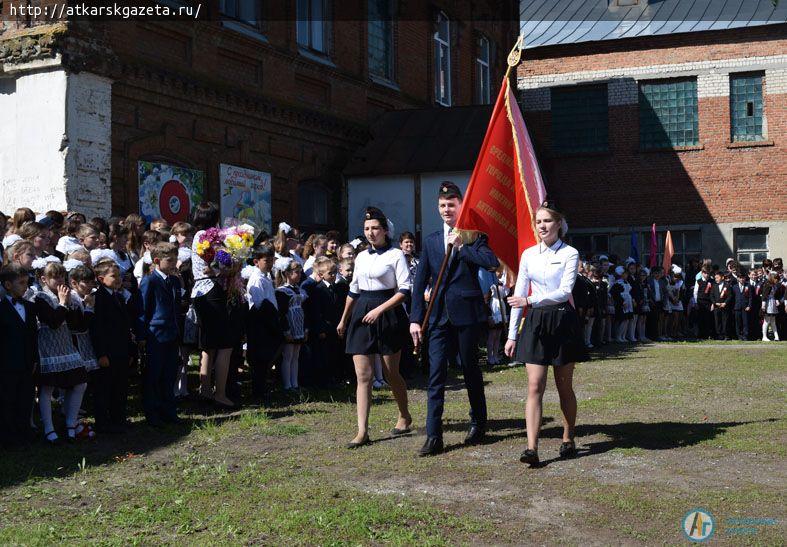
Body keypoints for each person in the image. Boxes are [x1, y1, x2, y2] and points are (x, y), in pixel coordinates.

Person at [410, 182, 498, 456]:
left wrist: (461, 248)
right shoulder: (432, 240)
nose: (447, 209)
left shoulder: (473, 236)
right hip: (437, 316)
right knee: (436, 375)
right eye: (442, 206)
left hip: (467, 315)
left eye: (451, 205)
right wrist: (415, 318)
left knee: (471, 369)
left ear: (461, 206)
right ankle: (434, 435)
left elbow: (491, 261)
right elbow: (420, 280)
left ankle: (478, 422)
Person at [504, 200, 584, 466]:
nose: (542, 226)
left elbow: (564, 291)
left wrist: (530, 301)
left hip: (562, 319)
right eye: (538, 222)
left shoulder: (570, 253)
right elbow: (519, 294)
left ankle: (568, 437)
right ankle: (531, 447)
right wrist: (512, 334)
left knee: (564, 386)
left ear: (559, 224)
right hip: (536, 322)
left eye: (547, 221)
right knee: (535, 385)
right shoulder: (528, 254)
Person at [337, 206, 412, 449]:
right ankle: (362, 431)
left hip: (388, 313)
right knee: (363, 375)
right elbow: (353, 290)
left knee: (391, 373)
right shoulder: (360, 257)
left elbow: (403, 290)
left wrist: (380, 310)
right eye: (367, 229)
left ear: (385, 231)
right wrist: (344, 318)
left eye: (375, 228)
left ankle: (404, 414)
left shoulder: (395, 255)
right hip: (362, 313)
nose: (370, 233)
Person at [190, 202, 242, 408]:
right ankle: (220, 393)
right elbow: (220, 263)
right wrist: (231, 265)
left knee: (209, 344)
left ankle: (205, 389)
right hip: (211, 291)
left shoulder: (198, 235)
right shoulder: (207, 237)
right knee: (225, 345)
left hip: (201, 291)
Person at [33, 261, 89, 444]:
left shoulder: (68, 296)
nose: (59, 280)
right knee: (47, 388)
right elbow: (53, 322)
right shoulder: (40, 297)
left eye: (62, 276)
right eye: (55, 277)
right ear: (44, 279)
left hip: (66, 346)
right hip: (48, 347)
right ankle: (49, 429)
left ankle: (71, 423)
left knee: (80, 383)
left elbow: (77, 325)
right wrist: (63, 303)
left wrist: (72, 305)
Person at [138, 242, 182, 426]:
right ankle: (153, 412)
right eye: (170, 260)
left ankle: (168, 410)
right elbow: (143, 309)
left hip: (172, 333)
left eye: (175, 259)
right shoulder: (150, 280)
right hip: (156, 334)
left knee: (169, 373)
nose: (174, 263)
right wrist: (142, 335)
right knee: (154, 375)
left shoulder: (174, 280)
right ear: (157, 260)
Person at [89, 259, 133, 433]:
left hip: (120, 349)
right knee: (104, 388)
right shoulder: (98, 298)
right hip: (108, 351)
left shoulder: (118, 296)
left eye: (119, 276)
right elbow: (97, 328)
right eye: (113, 276)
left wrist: (130, 350)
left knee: (120, 387)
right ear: (101, 279)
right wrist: (101, 354)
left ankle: (118, 418)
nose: (118, 279)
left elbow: (124, 326)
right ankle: (103, 422)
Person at [0, 264, 39, 448]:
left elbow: (33, 336)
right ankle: (9, 437)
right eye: (21, 283)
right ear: (7, 285)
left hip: (26, 363)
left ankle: (24, 433)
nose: (25, 286)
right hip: (7, 365)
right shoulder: (1, 309)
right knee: (8, 401)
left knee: (25, 399)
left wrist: (34, 359)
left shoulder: (30, 308)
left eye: (27, 282)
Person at [245, 244, 284, 399]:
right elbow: (259, 305)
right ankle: (258, 392)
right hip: (261, 324)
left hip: (268, 320)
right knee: (260, 359)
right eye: (266, 261)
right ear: (256, 262)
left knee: (267, 358)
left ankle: (262, 388)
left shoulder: (266, 277)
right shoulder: (256, 280)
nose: (270, 264)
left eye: (271, 260)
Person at [274, 257, 308, 392]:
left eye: (300, 272)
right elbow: (282, 313)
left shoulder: (299, 290)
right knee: (288, 356)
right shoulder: (282, 291)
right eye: (297, 272)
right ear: (287, 274)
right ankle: (287, 385)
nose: (299, 275)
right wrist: (286, 331)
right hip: (290, 326)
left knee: (296, 356)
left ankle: (295, 383)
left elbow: (304, 310)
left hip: (299, 325)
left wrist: (306, 328)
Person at [761, 272, 783, 341]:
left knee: (773, 321)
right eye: (776, 279)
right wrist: (763, 305)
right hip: (768, 304)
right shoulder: (767, 285)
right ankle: (764, 336)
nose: (777, 280)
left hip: (772, 303)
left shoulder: (773, 285)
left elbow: (775, 295)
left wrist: (776, 301)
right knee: (766, 321)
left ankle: (776, 336)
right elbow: (764, 295)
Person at [711, 270, 733, 340]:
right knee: (717, 321)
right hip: (717, 306)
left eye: (717, 278)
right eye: (715, 278)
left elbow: (730, 296)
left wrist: (725, 303)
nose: (716, 279)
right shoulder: (714, 286)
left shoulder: (727, 285)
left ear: (722, 277)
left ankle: (726, 335)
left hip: (725, 306)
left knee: (725, 321)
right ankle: (719, 335)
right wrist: (715, 303)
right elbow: (711, 295)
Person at [731, 270, 752, 341]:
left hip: (745, 307)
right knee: (738, 322)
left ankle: (745, 335)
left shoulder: (748, 286)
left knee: (745, 322)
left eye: (743, 278)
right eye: (740, 278)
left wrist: (749, 305)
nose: (742, 279)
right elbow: (732, 298)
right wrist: (733, 307)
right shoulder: (734, 287)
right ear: (738, 278)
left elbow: (750, 297)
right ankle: (739, 335)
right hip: (737, 307)